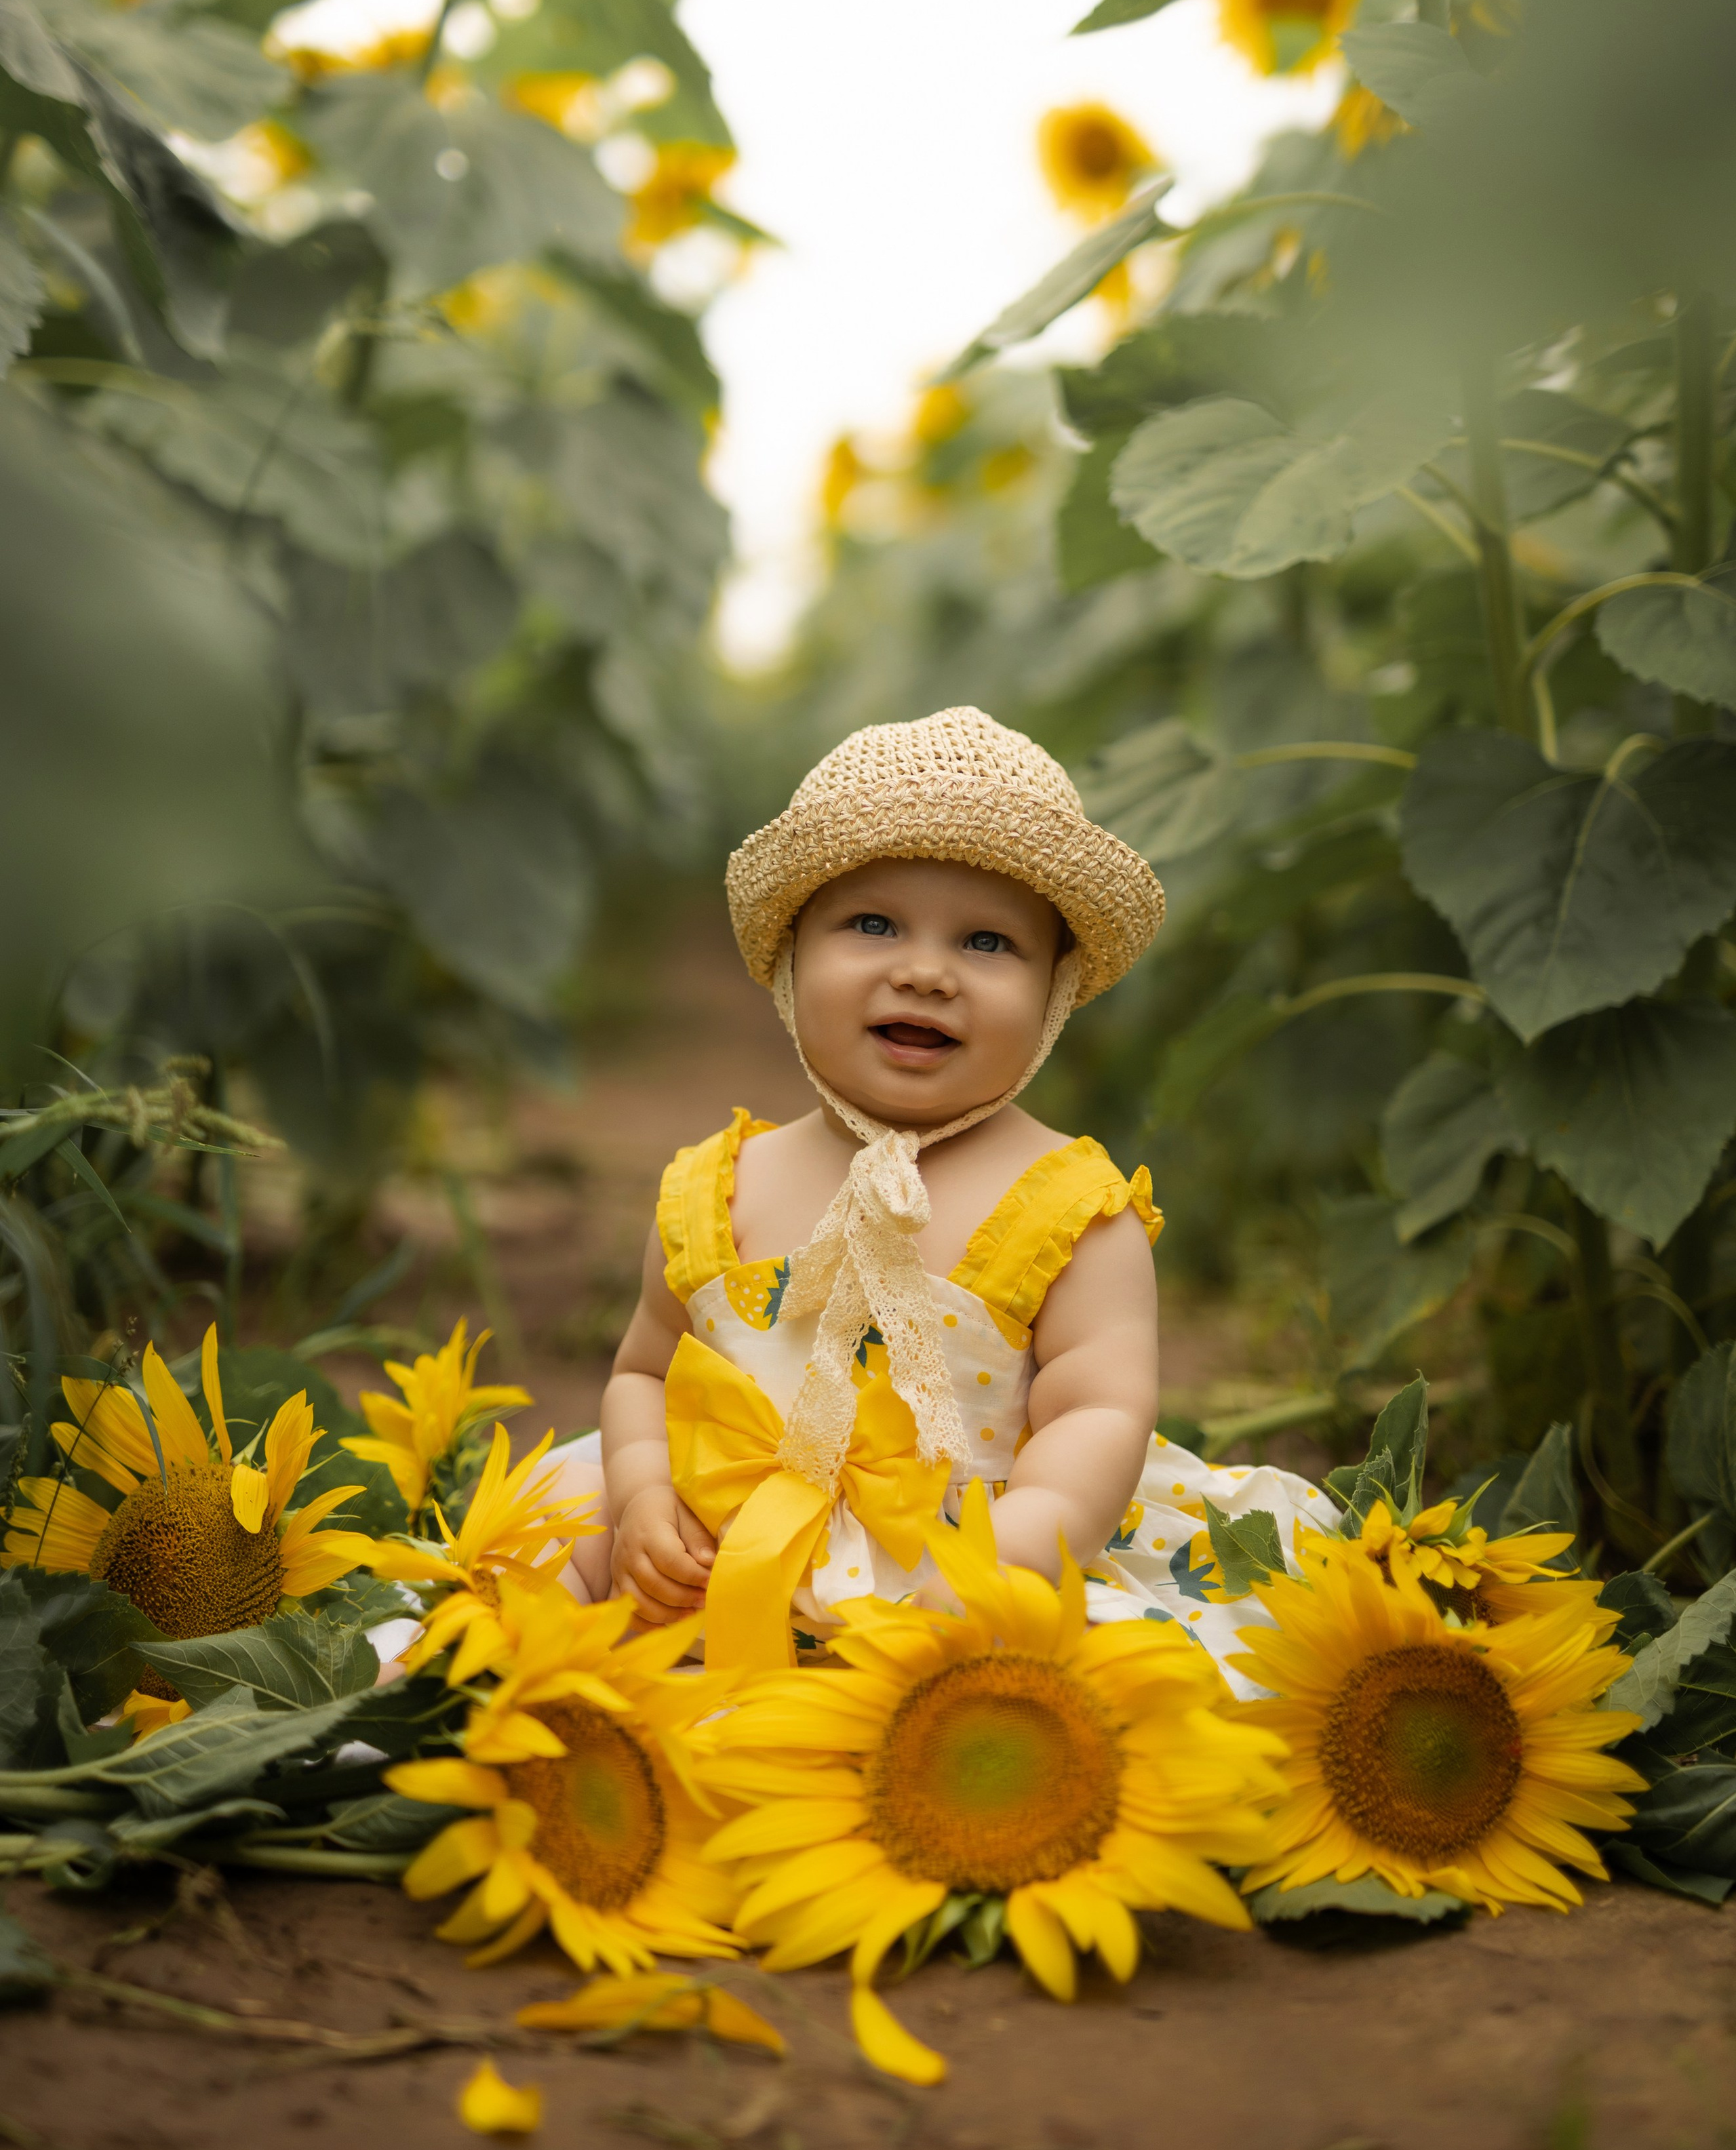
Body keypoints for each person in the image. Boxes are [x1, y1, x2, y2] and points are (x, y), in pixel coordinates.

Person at [550, 704, 1331, 1674]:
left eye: (988, 944)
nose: (925, 973)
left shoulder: (1067, 1211)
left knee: (1118, 1678)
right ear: (792, 957)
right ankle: (412, 1687)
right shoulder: (721, 1186)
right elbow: (642, 1373)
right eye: (872, 925)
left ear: (1053, 992)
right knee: (550, 1534)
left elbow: (1099, 1416)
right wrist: (641, 1496)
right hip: (723, 1545)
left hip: (961, 1562)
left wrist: (1014, 1552)